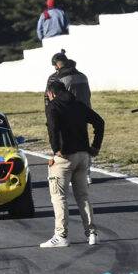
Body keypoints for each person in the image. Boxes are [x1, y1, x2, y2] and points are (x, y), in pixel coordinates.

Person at [41, 82, 104, 248]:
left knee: (59, 197)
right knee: (83, 196)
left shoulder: (53, 107)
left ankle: (61, 235)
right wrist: (95, 146)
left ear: (51, 94)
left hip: (65, 157)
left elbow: (53, 129)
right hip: (83, 155)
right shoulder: (78, 105)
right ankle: (92, 233)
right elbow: (99, 122)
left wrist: (56, 149)